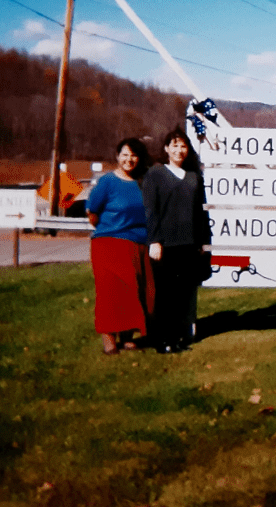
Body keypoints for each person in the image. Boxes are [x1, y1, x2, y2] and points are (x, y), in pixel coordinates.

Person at [142, 127, 212, 354]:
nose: (179, 150)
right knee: (165, 295)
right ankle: (162, 340)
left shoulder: (194, 177)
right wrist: (154, 240)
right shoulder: (155, 174)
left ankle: (179, 338)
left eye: (183, 146)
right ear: (166, 149)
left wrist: (203, 242)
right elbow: (151, 210)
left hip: (189, 245)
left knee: (183, 294)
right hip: (164, 245)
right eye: (174, 145)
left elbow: (201, 213)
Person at [86, 137, 155, 355]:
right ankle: (109, 339)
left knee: (135, 291)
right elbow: (92, 213)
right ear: (117, 156)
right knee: (110, 293)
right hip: (109, 244)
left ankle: (128, 337)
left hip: (138, 244)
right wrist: (111, 229)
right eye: (124, 154)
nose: (129, 159)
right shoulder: (107, 181)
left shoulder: (144, 182)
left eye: (133, 155)